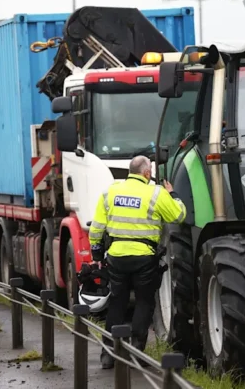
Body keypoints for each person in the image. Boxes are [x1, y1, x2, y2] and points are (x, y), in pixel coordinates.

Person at [87, 155, 186, 369]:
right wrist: (173, 195)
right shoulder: (156, 193)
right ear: (147, 173)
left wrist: (96, 256)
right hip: (144, 259)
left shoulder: (110, 192)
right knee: (144, 302)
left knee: (117, 303)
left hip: (116, 257)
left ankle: (108, 354)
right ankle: (136, 354)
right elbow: (179, 216)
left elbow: (96, 229)